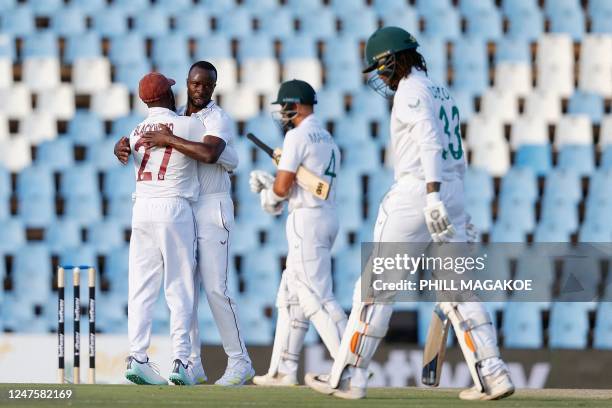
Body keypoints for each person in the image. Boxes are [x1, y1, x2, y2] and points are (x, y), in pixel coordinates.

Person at [305, 27, 515, 400]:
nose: (380, 77)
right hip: (452, 192)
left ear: (394, 59)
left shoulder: (410, 91)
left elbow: (430, 139)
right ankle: (493, 374)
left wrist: (432, 196)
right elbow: (454, 150)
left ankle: (351, 378)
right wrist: (454, 204)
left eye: (381, 67)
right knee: (458, 292)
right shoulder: (439, 89)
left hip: (418, 192)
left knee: (373, 291)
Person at [138, 61, 254, 386]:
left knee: (217, 288)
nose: (200, 90)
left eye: (207, 85)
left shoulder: (217, 117)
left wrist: (170, 140)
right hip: (184, 208)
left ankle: (240, 361)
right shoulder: (175, 118)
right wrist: (124, 146)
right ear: (187, 84)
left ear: (214, 87)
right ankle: (191, 362)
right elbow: (150, 146)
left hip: (213, 208)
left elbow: (208, 154)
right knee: (184, 288)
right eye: (195, 84)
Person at [248, 80, 347, 386]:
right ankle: (283, 369)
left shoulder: (297, 135)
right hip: (326, 214)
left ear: (297, 105)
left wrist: (268, 191)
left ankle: (349, 364)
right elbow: (296, 183)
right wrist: (276, 189)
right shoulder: (327, 137)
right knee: (289, 298)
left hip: (307, 221)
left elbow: (282, 187)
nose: (283, 113)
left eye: (286, 107)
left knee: (316, 297)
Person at [123, 72, 204, 385]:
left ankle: (137, 356)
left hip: (141, 208)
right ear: (166, 96)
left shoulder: (133, 132)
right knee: (179, 287)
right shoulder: (188, 125)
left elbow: (131, 147)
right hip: (174, 206)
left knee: (141, 288)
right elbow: (212, 150)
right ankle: (181, 360)